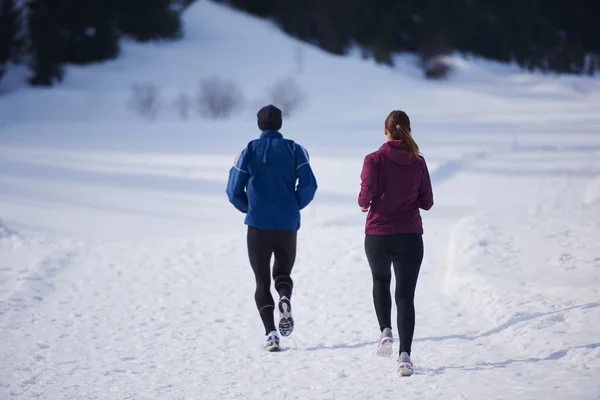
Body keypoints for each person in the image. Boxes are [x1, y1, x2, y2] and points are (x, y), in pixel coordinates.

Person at [226, 104, 318, 352]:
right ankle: (285, 297)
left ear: (259, 125)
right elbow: (309, 184)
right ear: (280, 124)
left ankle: (271, 335)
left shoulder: (248, 150)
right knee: (282, 273)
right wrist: (294, 204)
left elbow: (232, 190)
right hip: (287, 224)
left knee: (261, 281)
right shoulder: (295, 149)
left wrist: (250, 207)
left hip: (258, 225)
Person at [358, 110, 434, 376]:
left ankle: (385, 330)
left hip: (378, 235)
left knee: (380, 281)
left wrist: (365, 203)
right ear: (408, 131)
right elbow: (427, 202)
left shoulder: (373, 160)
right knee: (405, 296)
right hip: (410, 236)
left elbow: (365, 195)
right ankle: (405, 358)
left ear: (385, 131)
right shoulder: (418, 162)